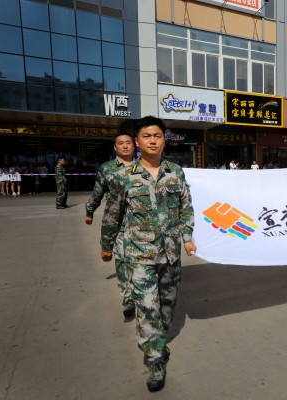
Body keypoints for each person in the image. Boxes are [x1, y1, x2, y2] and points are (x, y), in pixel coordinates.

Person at [100, 116, 196, 392]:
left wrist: (187, 238)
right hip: (139, 255)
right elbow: (112, 214)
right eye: (147, 136)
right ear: (137, 142)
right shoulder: (123, 177)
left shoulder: (176, 172)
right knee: (147, 308)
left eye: (157, 135)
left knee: (166, 308)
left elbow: (186, 208)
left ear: (164, 140)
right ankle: (154, 359)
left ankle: (157, 340)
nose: (153, 140)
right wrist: (107, 245)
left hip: (171, 255)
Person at [84, 132, 135, 318]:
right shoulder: (107, 169)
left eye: (128, 143)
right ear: (115, 147)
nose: (125, 146)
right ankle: (128, 299)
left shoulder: (145, 167)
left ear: (134, 145)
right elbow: (98, 193)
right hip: (119, 225)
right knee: (122, 262)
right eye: (121, 143)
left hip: (143, 225)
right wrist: (89, 210)